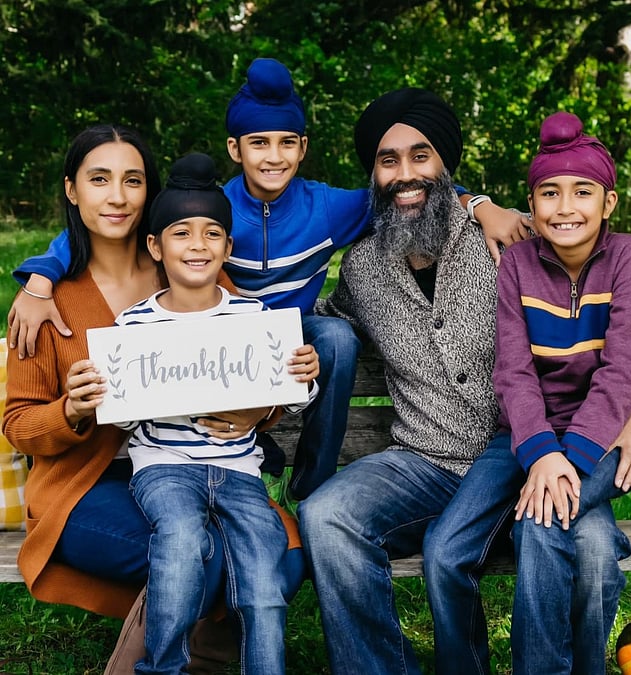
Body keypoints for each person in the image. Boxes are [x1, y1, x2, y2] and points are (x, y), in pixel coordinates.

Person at [7, 58, 530, 506]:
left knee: (337, 337)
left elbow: (407, 189)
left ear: (302, 148)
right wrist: (40, 278)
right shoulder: (212, 210)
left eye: (286, 143)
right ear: (236, 150)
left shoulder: (329, 207)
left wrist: (477, 203)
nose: (273, 156)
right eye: (259, 143)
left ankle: (313, 474)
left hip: (292, 336)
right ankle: (247, 444)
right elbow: (122, 224)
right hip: (219, 335)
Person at [297, 88, 631, 674]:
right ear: (372, 173)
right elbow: (321, 316)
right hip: (425, 462)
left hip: (537, 450)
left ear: (446, 164)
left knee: (590, 548)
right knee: (327, 514)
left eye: (421, 156)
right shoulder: (364, 268)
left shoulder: (510, 237)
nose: (404, 174)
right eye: (387, 160)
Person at [1, 125, 305, 673]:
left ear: (149, 193)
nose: (117, 196)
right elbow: (20, 426)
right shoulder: (45, 301)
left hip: (206, 468)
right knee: (200, 557)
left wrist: (258, 410)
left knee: (281, 559)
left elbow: (261, 375)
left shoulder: (191, 272)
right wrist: (69, 410)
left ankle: (203, 657)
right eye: (100, 180)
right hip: (84, 487)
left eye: (132, 180)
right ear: (73, 190)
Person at [88, 152, 318, 674]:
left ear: (228, 247)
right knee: (180, 544)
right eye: (181, 234)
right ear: (155, 246)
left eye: (212, 233)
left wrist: (303, 373)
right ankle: (162, 667)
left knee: (264, 576)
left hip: (239, 470)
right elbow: (125, 419)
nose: (198, 246)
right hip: (165, 467)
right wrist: (112, 390)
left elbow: (289, 394)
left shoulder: (252, 316)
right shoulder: (134, 324)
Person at [488, 110, 631, 673]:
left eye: (582, 192)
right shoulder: (517, 264)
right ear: (531, 203)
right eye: (549, 194)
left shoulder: (629, 257)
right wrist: (543, 453)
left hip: (609, 437)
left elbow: (624, 371)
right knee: (588, 547)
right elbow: (512, 372)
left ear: (608, 203)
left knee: (539, 523)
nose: (565, 207)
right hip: (543, 437)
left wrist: (569, 461)